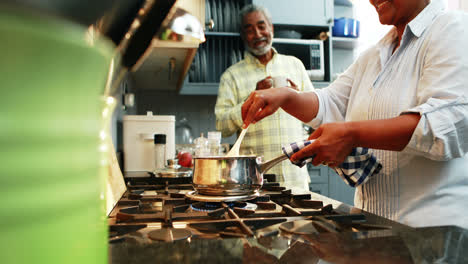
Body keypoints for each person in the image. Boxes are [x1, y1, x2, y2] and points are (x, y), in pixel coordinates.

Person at [241, 0, 468, 229]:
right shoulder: (375, 53)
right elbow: (331, 103)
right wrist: (286, 96)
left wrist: (352, 134)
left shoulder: (453, 28)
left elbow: (447, 122)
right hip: (374, 228)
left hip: (432, 236)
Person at [214, 4, 314, 191]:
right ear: (244, 36)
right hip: (254, 179)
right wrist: (251, 98)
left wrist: (297, 97)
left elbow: (314, 118)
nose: (257, 34)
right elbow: (222, 125)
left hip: (295, 176)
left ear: (271, 28)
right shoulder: (231, 76)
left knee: (300, 222)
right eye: (249, 29)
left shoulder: (295, 65)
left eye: (261, 26)